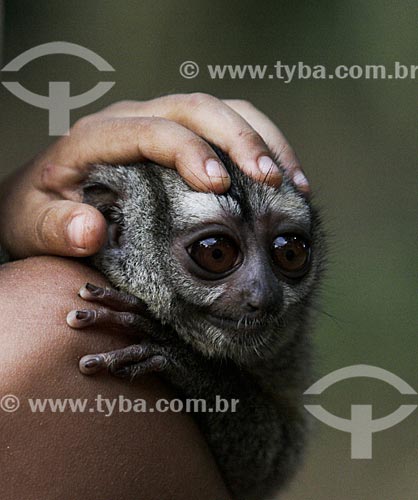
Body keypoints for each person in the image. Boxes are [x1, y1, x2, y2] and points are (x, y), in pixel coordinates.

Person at [0, 94, 309, 499]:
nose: (264, 295)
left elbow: (267, 465)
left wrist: (196, 373)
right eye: (216, 252)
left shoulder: (276, 331)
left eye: (289, 251)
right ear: (116, 228)